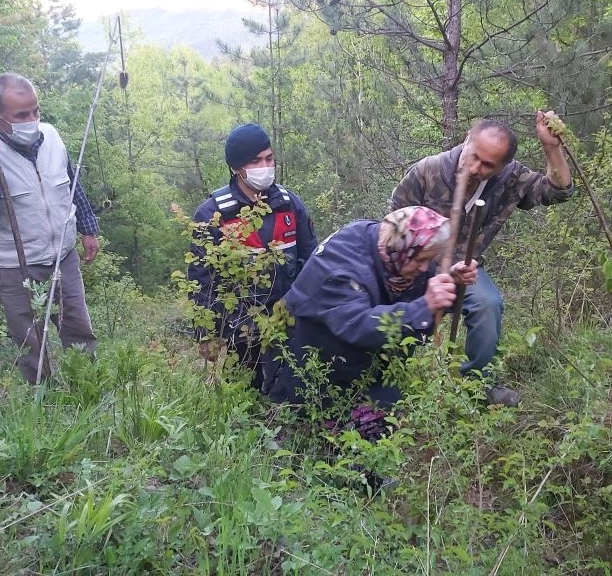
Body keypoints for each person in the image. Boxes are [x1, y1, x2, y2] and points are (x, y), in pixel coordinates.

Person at [388, 112, 574, 406]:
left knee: (488, 304)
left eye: (487, 165)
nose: (475, 168)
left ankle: (477, 385)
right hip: (417, 267)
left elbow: (559, 192)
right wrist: (413, 272)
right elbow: (391, 225)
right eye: (473, 156)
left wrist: (551, 147)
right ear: (466, 140)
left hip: (466, 269)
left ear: (503, 166)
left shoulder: (511, 179)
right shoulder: (427, 171)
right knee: (398, 316)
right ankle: (390, 384)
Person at [264, 206, 476, 420]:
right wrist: (423, 306)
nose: (424, 268)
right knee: (326, 435)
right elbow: (360, 325)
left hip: (365, 368)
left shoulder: (395, 248)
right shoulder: (340, 267)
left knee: (390, 426)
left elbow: (420, 294)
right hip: (308, 367)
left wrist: (451, 283)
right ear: (398, 250)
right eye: (420, 260)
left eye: (429, 260)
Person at [0, 72, 99, 383]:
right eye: (22, 114)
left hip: (63, 256)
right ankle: (42, 402)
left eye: (35, 110)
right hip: (14, 267)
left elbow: (71, 183)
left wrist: (88, 228)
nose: (32, 119)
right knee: (29, 341)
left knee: (78, 327)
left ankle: (87, 387)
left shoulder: (51, 136)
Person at [188, 123, 316, 389]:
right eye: (256, 161)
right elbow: (201, 280)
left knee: (296, 393)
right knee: (246, 399)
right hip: (243, 331)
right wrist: (206, 334)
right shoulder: (213, 214)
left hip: (290, 322)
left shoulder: (289, 204)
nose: (265, 166)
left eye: (269, 158)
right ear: (236, 167)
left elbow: (312, 260)